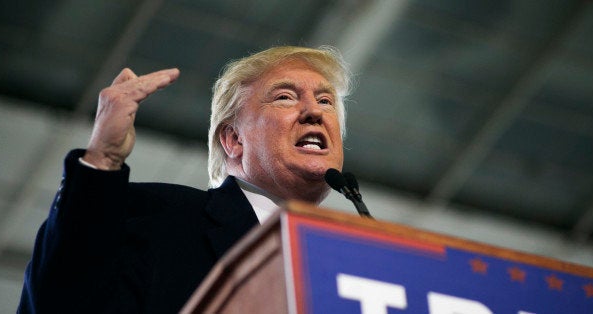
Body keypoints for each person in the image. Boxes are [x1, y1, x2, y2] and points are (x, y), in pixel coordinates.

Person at [18, 46, 352, 313]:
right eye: (285, 97)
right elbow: (59, 302)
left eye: (325, 101)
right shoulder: (156, 217)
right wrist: (102, 159)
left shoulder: (353, 266)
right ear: (234, 140)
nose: (315, 111)